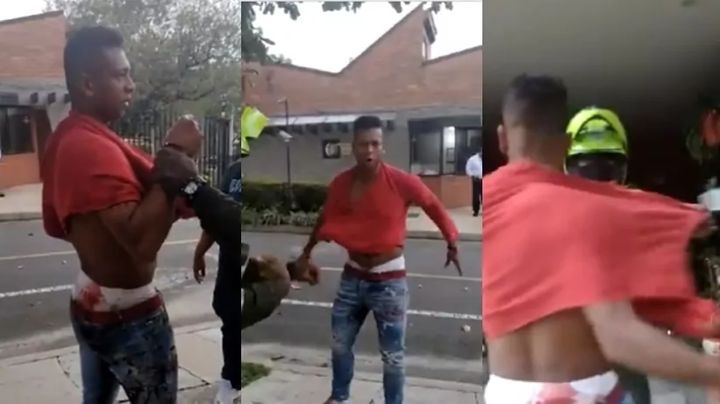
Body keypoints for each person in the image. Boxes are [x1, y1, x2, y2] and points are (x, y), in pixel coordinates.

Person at [483, 74, 720, 404]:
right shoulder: (583, 212)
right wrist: (711, 372)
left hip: (505, 391)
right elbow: (618, 336)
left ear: (501, 138)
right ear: (566, 143)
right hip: (582, 392)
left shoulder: (486, 203)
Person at [41, 26, 203, 404]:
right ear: (88, 84)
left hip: (93, 300)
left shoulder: (80, 137)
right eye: (120, 75)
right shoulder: (88, 147)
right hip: (128, 318)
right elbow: (141, 242)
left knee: (96, 399)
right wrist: (176, 154)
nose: (131, 85)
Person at [292, 115, 462, 404]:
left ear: (382, 146)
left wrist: (452, 241)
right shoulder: (341, 183)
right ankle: (340, 397)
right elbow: (326, 217)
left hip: (389, 282)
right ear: (353, 147)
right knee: (339, 344)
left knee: (393, 356)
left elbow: (432, 204)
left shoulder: (401, 181)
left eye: (375, 144)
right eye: (363, 144)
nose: (369, 150)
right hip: (353, 277)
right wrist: (307, 253)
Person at [190, 157, 319, 403]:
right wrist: (199, 253)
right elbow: (215, 217)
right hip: (230, 263)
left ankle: (232, 381)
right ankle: (231, 382)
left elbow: (269, 255)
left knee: (237, 317)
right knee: (228, 316)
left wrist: (292, 269)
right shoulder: (233, 171)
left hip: (252, 265)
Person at [565, 106, 651, 404]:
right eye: (588, 169)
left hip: (616, 356)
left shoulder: (641, 211)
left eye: (606, 168)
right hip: (581, 360)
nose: (599, 179)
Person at [465, 148, 483, 216]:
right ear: (480, 151)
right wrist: (472, 175)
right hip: (476, 179)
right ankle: (476, 211)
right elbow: (468, 169)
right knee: (476, 196)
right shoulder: (472, 159)